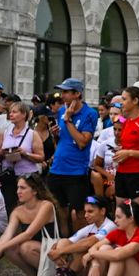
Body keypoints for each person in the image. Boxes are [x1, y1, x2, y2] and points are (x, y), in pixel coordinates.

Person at [0, 174, 60, 276]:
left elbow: (28, 234)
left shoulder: (46, 205)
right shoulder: (18, 211)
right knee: (10, 248)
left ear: (35, 191)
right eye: (17, 188)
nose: (18, 191)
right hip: (36, 249)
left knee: (26, 247)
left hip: (52, 247)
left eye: (23, 188)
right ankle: (31, 275)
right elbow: (7, 234)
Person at [48, 77, 98, 233]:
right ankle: (64, 241)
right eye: (62, 91)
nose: (62, 95)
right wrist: (55, 134)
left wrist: (68, 120)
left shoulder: (90, 113)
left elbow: (82, 142)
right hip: (57, 168)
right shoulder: (61, 111)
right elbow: (64, 139)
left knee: (79, 213)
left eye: (66, 92)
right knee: (60, 211)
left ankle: (80, 242)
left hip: (76, 171)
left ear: (77, 94)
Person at [51, 195, 116, 276]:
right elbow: (68, 242)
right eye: (85, 212)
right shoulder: (90, 227)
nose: (85, 215)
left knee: (84, 246)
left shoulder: (110, 226)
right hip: (91, 274)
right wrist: (56, 249)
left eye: (90, 211)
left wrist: (60, 251)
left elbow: (89, 242)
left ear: (103, 211)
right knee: (63, 242)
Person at [0, 100, 44, 216]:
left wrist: (25, 154)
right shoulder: (5, 133)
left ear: (24, 115)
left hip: (26, 176)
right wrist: (2, 153)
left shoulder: (32, 134)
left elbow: (41, 157)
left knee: (27, 208)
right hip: (9, 176)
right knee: (10, 207)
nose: (11, 114)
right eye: (10, 112)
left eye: (14, 112)